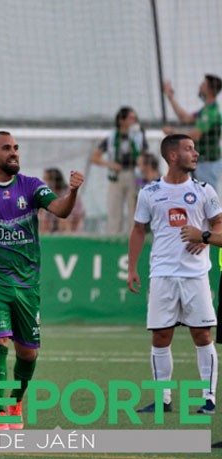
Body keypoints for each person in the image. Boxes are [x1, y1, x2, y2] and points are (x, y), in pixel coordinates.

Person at [0, 131, 84, 430]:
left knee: (28, 353)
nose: (14, 153)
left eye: (16, 148)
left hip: (26, 282)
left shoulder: (32, 187)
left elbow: (60, 211)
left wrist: (72, 192)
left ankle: (15, 402)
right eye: (6, 148)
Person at [128, 134, 221, 415]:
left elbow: (219, 223)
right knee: (160, 336)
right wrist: (132, 267)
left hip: (195, 275)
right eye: (189, 149)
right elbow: (138, 230)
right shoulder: (150, 192)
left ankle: (208, 399)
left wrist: (206, 237)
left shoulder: (205, 190)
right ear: (172, 156)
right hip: (162, 274)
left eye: (194, 149)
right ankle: (163, 400)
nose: (195, 154)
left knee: (202, 335)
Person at [90, 107, 147, 235]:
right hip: (116, 175)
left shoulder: (138, 136)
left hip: (133, 174)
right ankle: (113, 236)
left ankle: (134, 237)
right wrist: (110, 165)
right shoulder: (111, 138)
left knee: (134, 208)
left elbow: (142, 155)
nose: (134, 120)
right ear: (122, 120)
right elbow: (95, 157)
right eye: (130, 118)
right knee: (115, 208)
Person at [162, 75, 222, 190]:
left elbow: (195, 135)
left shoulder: (211, 113)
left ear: (210, 89)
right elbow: (185, 117)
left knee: (208, 201)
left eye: (203, 84)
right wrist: (170, 98)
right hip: (203, 163)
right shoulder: (205, 110)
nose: (200, 86)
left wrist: (172, 133)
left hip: (208, 164)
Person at [39, 168, 85, 233]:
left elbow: (79, 214)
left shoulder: (69, 192)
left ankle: (67, 238)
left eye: (46, 179)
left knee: (62, 217)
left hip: (70, 221)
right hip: (52, 222)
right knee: (42, 216)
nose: (44, 182)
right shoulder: (46, 193)